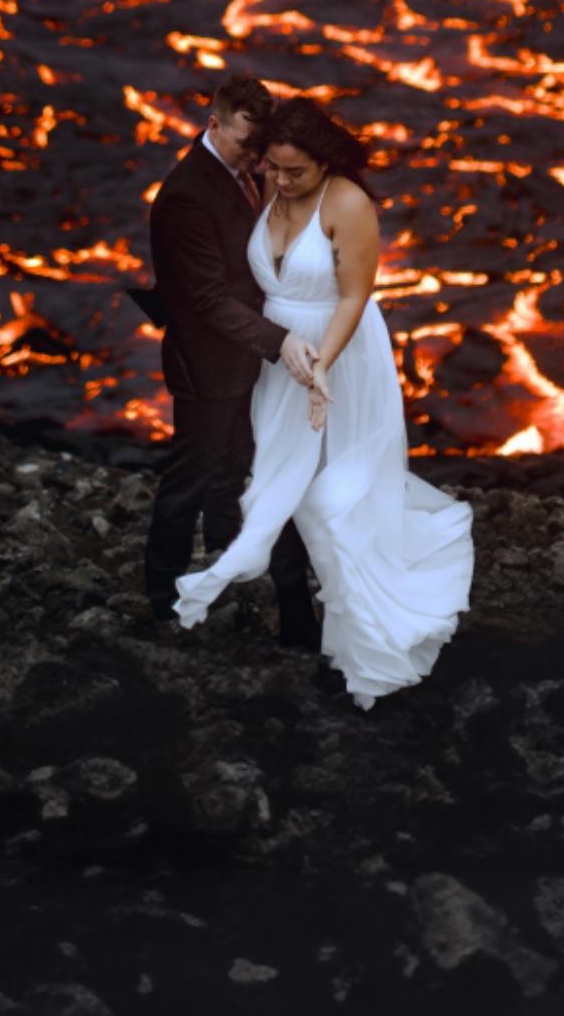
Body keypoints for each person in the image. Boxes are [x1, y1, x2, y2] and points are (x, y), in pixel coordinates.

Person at [173, 95, 473, 707]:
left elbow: (354, 297)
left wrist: (320, 369)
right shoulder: (265, 193)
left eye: (295, 172)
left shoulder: (349, 203)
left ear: (324, 162)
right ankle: (300, 618)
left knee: (334, 493)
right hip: (277, 357)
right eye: (272, 169)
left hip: (339, 354)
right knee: (280, 483)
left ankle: (367, 626)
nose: (280, 182)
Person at [140, 77, 321, 646]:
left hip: (247, 356)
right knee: (189, 477)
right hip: (210, 361)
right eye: (248, 136)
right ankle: (163, 600)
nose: (256, 150)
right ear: (214, 122)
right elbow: (208, 298)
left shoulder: (247, 175)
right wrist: (280, 340)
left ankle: (227, 561)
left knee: (236, 465)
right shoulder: (186, 195)